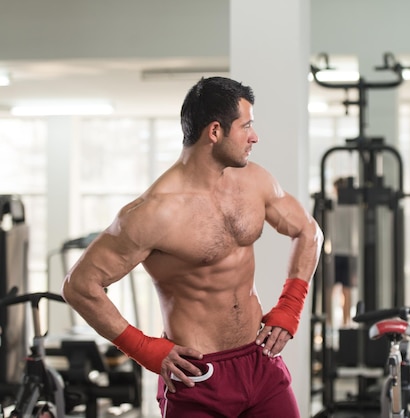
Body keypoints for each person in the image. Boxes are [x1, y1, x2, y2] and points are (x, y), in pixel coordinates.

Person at [61, 76, 323, 418]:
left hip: (260, 362)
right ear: (215, 132)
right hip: (198, 375)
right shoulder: (154, 212)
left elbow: (308, 231)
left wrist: (290, 307)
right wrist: (144, 348)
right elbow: (79, 286)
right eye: (246, 127)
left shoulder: (255, 181)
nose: (254, 137)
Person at [329, 177, 358, 328]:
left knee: (333, 289)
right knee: (346, 290)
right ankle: (345, 323)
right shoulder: (354, 207)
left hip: (337, 253)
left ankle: (331, 322)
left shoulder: (333, 206)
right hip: (348, 253)